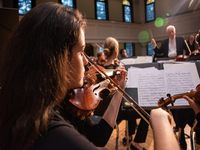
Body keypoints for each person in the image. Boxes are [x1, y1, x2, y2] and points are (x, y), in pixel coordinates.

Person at [0, 2, 127, 150]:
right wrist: (160, 121)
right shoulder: (51, 131)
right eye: (81, 52)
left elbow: (99, 137)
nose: (86, 61)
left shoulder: (48, 101)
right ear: (58, 59)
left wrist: (119, 92)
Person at [101, 37, 150, 150]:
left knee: (131, 104)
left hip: (107, 111)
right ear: (115, 50)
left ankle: (128, 136)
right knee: (147, 111)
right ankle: (136, 143)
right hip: (118, 111)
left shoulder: (102, 68)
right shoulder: (117, 70)